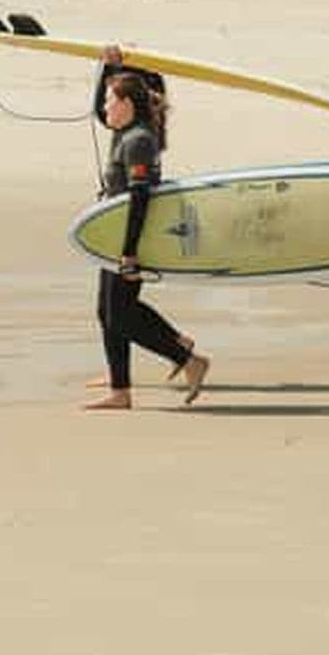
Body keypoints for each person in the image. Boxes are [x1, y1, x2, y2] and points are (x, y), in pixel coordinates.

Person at [84, 56, 210, 410]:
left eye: (111, 99)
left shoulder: (138, 140)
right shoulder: (126, 132)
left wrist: (129, 251)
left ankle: (188, 359)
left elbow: (141, 198)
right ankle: (121, 389)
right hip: (114, 236)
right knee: (108, 311)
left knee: (120, 314)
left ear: (126, 104)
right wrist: (107, 70)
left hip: (132, 238)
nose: (105, 106)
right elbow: (98, 109)